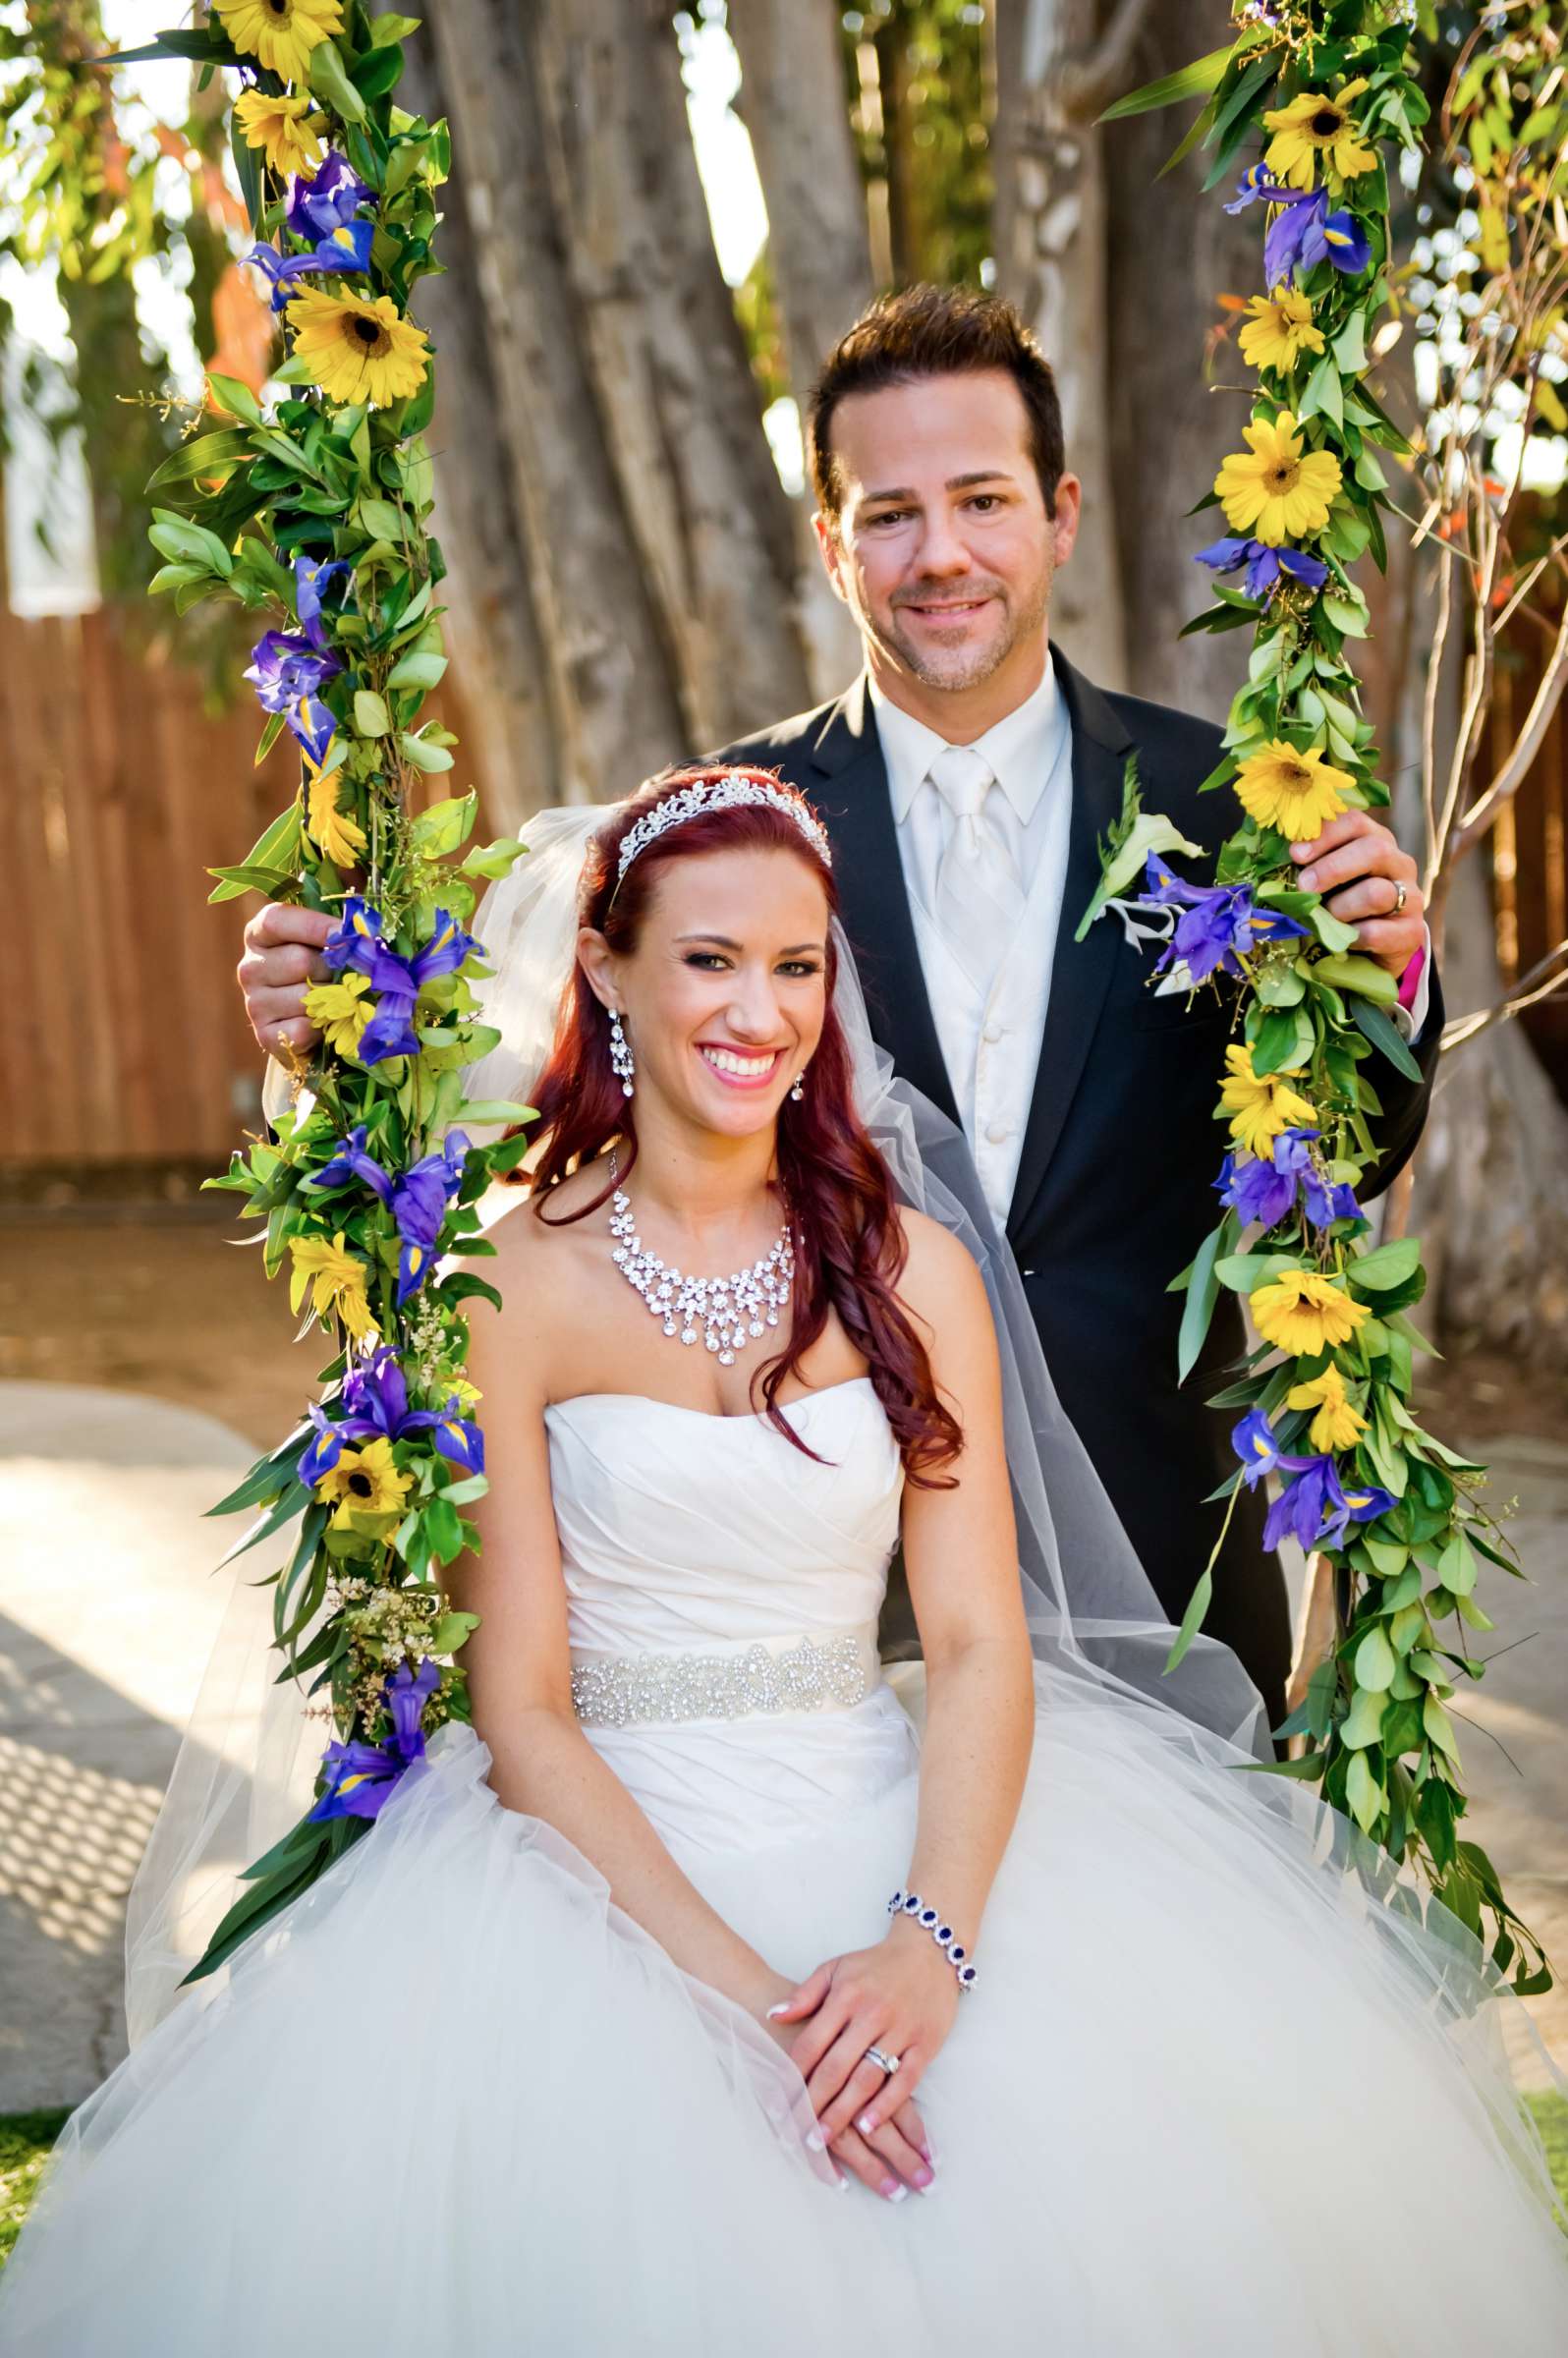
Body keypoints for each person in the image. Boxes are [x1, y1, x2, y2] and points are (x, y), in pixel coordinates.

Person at [5, 771, 1563, 2356]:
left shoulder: (908, 1268)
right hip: (594, 1882)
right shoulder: (504, 1283)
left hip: (889, 1829)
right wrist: (754, 2013)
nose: (761, 1011)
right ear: (605, 971)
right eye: (708, 960)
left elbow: (973, 1645)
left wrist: (928, 1950)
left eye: (798, 965)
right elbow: (526, 1710)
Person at [236, 287, 1440, 1733]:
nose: (941, 555)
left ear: (1059, 514)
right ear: (828, 543)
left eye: (983, 500)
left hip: (1164, 1570)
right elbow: (552, 1132)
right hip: (830, 1615)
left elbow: (1338, 1163)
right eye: (887, 513)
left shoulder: (1228, 805)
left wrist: (1393, 980)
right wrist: (329, 1055)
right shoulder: (723, 837)